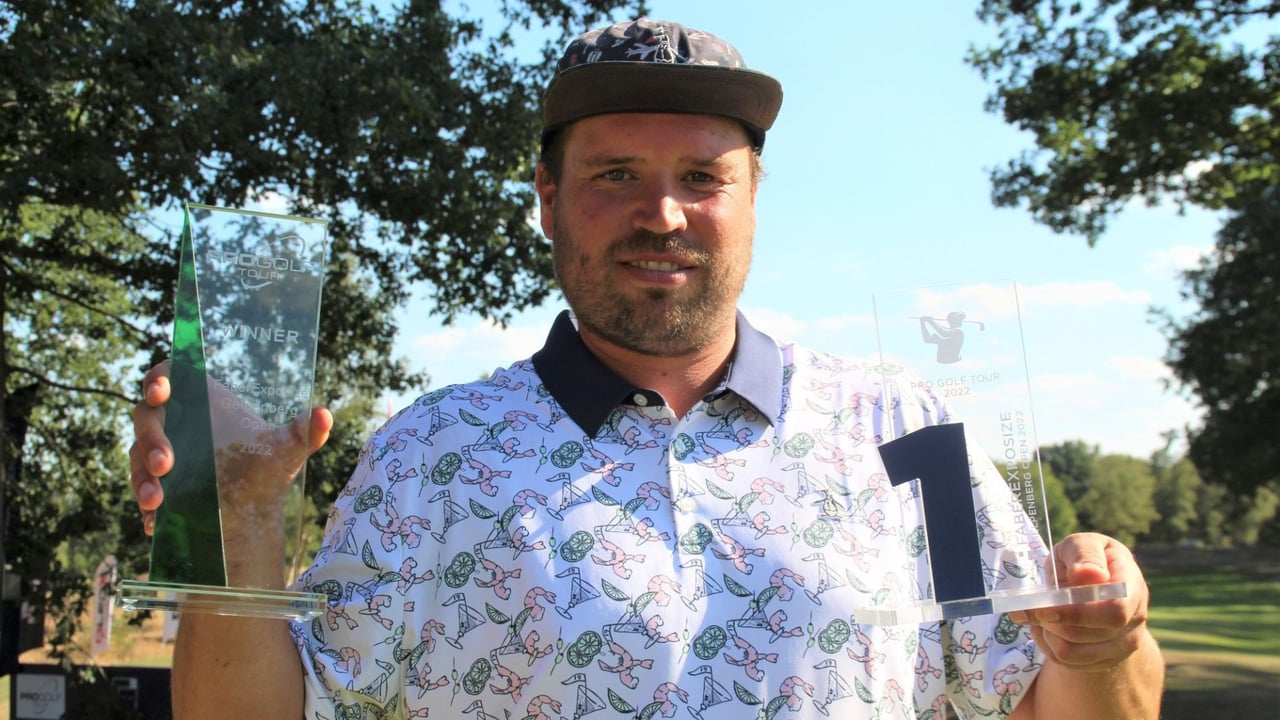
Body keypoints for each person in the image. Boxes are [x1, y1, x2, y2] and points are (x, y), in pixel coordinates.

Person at [130, 18, 1163, 720]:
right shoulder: (425, 455)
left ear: (753, 198)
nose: (661, 214)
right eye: (616, 173)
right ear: (547, 200)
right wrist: (235, 519)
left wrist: (1105, 645)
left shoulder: (912, 433)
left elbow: (1045, 699)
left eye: (701, 177)